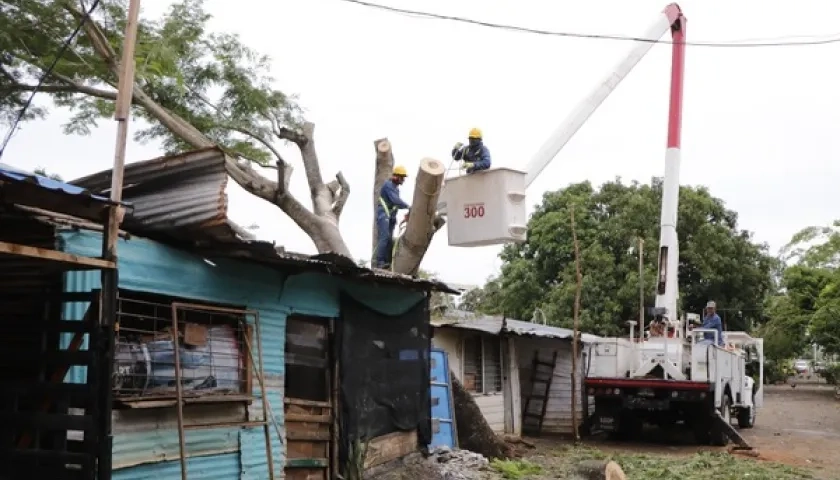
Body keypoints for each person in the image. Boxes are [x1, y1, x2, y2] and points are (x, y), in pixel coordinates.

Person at [374, 165, 411, 269]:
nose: (403, 180)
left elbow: (395, 204)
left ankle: (387, 261)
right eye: (402, 177)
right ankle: (380, 262)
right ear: (396, 176)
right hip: (383, 214)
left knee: (389, 239)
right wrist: (408, 206)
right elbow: (395, 201)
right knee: (384, 237)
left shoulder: (396, 189)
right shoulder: (388, 185)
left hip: (391, 216)